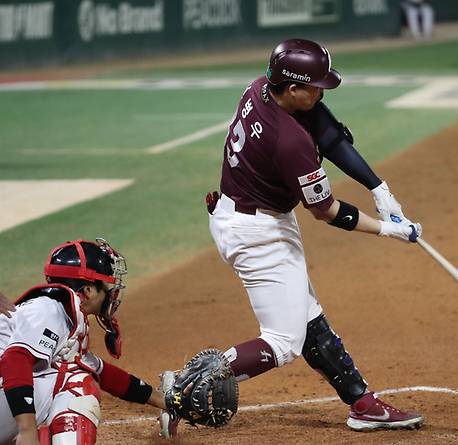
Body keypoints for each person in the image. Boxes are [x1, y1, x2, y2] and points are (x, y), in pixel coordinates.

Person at [200, 38, 424, 432]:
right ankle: (187, 389)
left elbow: (328, 130)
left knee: (309, 319)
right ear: (293, 89)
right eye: (316, 86)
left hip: (251, 216)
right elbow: (326, 211)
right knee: (283, 341)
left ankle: (363, 404)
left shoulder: (262, 87)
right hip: (257, 233)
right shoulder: (290, 142)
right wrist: (388, 229)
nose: (322, 92)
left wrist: (378, 187)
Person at [0, 238, 168, 444]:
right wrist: (27, 431)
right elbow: (14, 359)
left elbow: (100, 370)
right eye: (106, 286)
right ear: (88, 291)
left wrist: (164, 400)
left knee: (74, 371)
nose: (113, 293)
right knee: (77, 383)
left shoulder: (64, 314)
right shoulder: (47, 310)